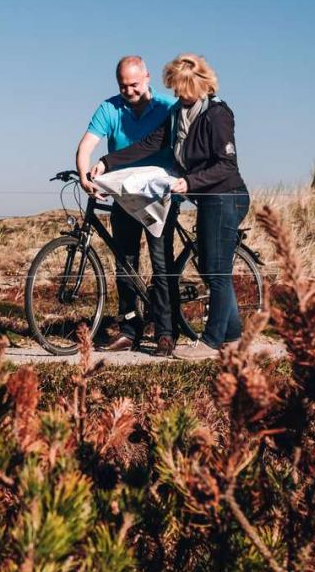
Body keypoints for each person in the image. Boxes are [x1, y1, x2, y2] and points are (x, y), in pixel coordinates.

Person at [90, 53, 248, 360]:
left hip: (225, 196)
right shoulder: (178, 113)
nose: (176, 93)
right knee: (211, 267)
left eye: (180, 88)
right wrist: (107, 162)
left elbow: (226, 165)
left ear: (196, 84)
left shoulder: (217, 114)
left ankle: (212, 340)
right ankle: (233, 338)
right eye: (173, 87)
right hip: (206, 197)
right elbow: (150, 143)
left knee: (216, 271)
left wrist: (190, 181)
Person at [76, 56, 177, 352]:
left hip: (160, 197)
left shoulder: (167, 107)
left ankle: (165, 332)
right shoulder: (109, 108)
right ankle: (129, 330)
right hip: (124, 196)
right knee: (125, 262)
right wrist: (83, 175)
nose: (129, 91)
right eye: (123, 86)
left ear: (147, 78)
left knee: (161, 262)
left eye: (134, 84)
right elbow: (86, 145)